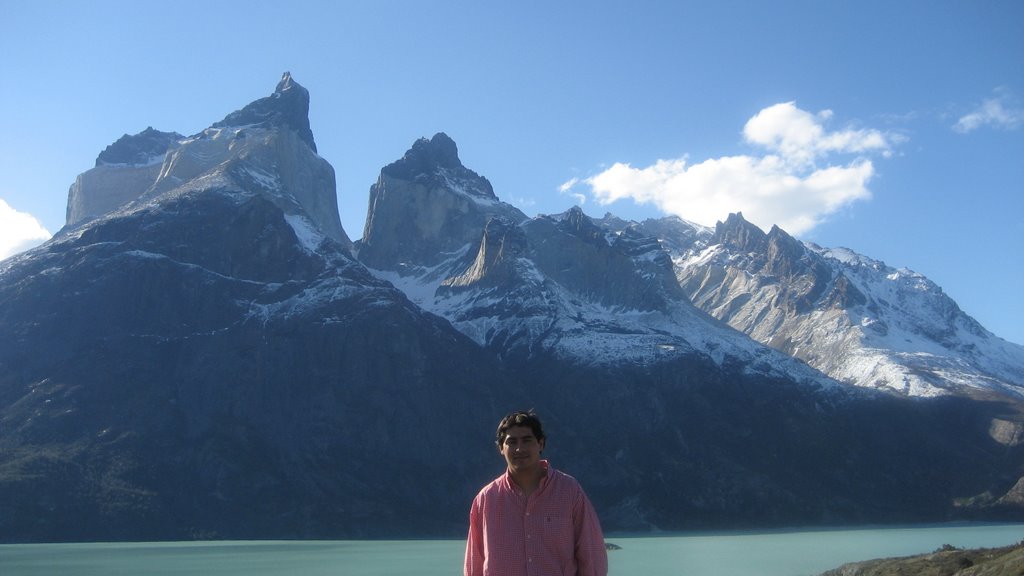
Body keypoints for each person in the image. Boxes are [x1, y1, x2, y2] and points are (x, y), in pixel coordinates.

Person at [464, 410, 608, 576]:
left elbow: (591, 555)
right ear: (501, 448)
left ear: (541, 444)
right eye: (512, 442)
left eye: (527, 440)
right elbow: (474, 564)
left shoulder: (569, 492)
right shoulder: (486, 500)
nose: (519, 448)